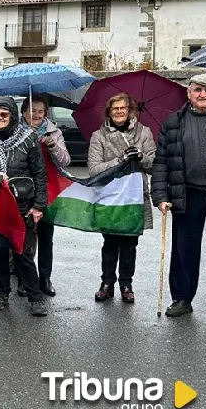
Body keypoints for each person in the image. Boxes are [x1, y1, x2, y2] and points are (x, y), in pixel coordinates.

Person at [0, 97, 50, 317]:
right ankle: (1, 293)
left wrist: (39, 206)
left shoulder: (29, 139)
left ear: (13, 116)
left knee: (23, 253)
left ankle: (35, 297)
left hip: (23, 206)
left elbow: (40, 174)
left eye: (3, 115)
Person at [151, 72, 206, 317]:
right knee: (184, 249)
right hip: (188, 192)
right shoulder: (173, 122)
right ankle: (182, 298)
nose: (203, 94)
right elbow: (161, 162)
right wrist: (161, 195)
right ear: (188, 93)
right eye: (198, 89)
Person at [87, 93, 155, 304]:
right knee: (110, 242)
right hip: (111, 197)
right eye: (115, 109)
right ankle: (107, 283)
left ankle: (126, 283)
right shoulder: (99, 136)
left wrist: (140, 156)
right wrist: (120, 160)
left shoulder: (144, 133)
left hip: (134, 198)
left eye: (123, 108)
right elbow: (94, 169)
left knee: (129, 243)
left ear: (130, 110)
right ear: (109, 112)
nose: (119, 112)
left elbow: (153, 163)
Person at [22, 95, 70, 297]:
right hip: (24, 191)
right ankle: (26, 279)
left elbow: (65, 160)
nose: (36, 115)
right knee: (25, 239)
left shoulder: (54, 132)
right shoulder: (18, 132)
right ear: (24, 112)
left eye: (40, 111)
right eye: (32, 110)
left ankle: (45, 278)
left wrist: (52, 145)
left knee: (45, 237)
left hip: (49, 190)